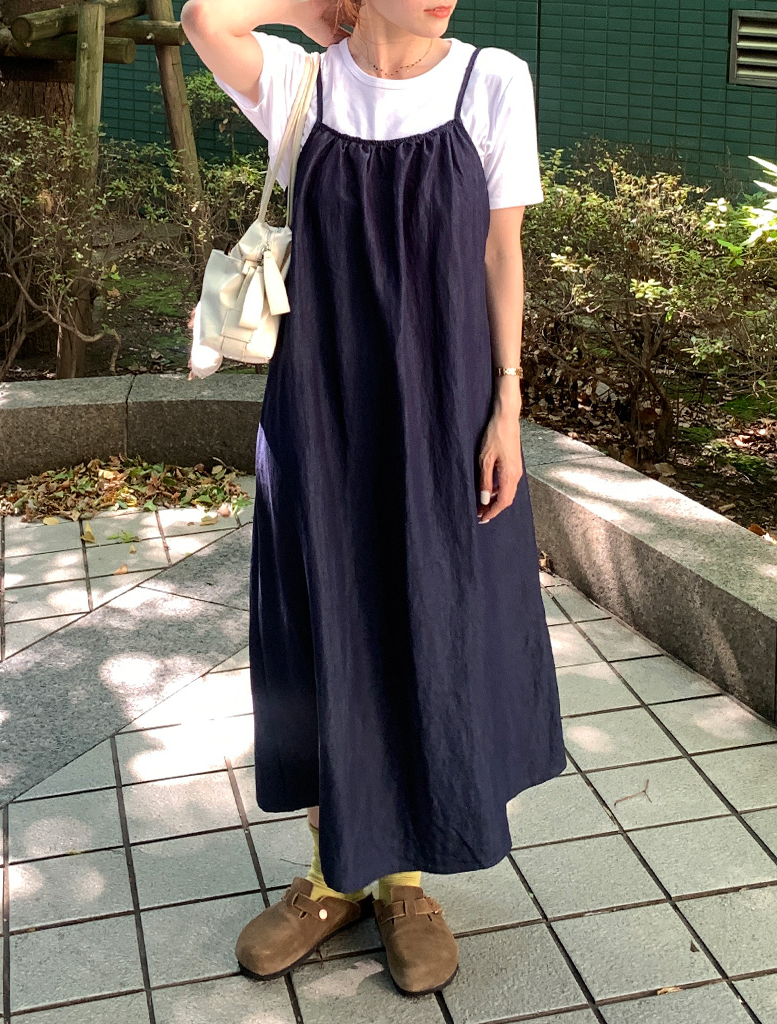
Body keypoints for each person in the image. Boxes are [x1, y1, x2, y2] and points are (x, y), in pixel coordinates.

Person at [180, 0, 567, 998]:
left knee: (430, 618)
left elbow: (502, 251)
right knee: (326, 627)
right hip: (321, 413)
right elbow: (203, 16)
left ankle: (404, 883)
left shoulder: (490, 80)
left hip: (445, 412)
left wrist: (507, 403)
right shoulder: (303, 83)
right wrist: (314, 9)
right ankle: (332, 875)